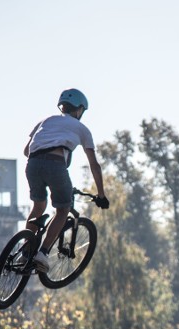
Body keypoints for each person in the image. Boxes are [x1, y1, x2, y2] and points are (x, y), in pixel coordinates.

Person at [23, 88, 108, 272]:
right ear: (79, 109)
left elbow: (26, 151)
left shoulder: (45, 121)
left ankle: (25, 249)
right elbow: (94, 165)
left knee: (38, 207)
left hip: (32, 164)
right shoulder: (82, 129)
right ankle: (43, 253)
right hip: (55, 166)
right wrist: (101, 194)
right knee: (63, 210)